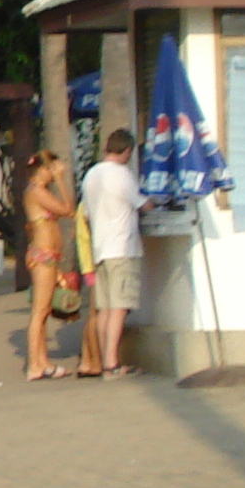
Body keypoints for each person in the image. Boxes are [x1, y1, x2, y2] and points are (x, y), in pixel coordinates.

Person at [80, 126, 142, 379]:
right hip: (121, 246)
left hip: (100, 248)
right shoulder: (121, 175)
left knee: (104, 309)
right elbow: (141, 203)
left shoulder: (91, 175)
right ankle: (111, 363)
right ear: (127, 151)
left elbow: (85, 214)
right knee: (118, 307)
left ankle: (104, 361)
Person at [21, 149, 77, 382]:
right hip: (43, 256)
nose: (53, 174)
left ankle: (42, 361)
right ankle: (34, 364)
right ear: (43, 170)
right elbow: (67, 210)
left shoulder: (37, 191)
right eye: (51, 169)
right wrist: (61, 181)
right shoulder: (36, 191)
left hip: (48, 254)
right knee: (40, 311)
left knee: (43, 312)